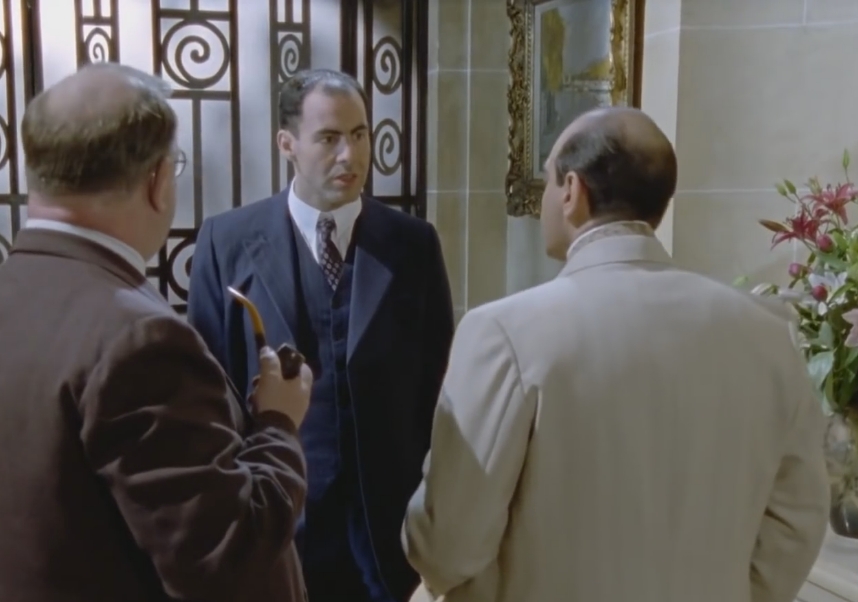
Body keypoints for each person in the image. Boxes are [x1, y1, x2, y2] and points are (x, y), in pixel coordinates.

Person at [402, 107, 830, 602]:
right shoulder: (767, 335)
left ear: (572, 191)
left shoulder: (504, 333)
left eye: (548, 179)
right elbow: (797, 525)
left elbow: (448, 547)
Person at [0, 63, 312, 602]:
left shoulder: (14, 289)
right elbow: (228, 557)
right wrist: (278, 423)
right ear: (158, 180)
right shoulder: (138, 341)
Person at [187, 68, 454, 602]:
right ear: (287, 144)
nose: (350, 156)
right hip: (277, 525)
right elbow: (209, 396)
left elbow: (438, 387)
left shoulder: (413, 245)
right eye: (329, 138)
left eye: (359, 135)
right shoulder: (226, 240)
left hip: (387, 535)